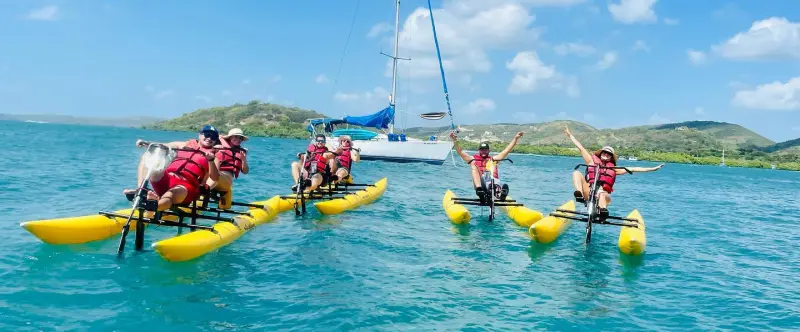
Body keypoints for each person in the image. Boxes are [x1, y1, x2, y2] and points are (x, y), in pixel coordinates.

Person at [563, 125, 664, 218]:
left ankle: (603, 211)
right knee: (576, 173)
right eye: (605, 152)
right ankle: (579, 194)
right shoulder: (590, 161)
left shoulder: (613, 169)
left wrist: (652, 169)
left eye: (609, 154)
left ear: (611, 157)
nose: (606, 154)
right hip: (588, 192)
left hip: (603, 196)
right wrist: (570, 135)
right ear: (601, 153)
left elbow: (633, 168)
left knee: (602, 194)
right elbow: (580, 147)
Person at [123, 125, 221, 212]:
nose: (209, 138)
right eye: (207, 134)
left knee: (171, 194)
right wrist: (148, 144)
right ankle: (141, 190)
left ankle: (154, 206)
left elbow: (215, 178)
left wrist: (210, 160)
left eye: (213, 137)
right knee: (148, 155)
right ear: (200, 135)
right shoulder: (183, 145)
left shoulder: (214, 157)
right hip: (166, 179)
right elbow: (164, 146)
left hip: (186, 187)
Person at [450, 131, 524, 202]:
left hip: (492, 184)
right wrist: (455, 140)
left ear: (489, 151)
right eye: (482, 150)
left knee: (492, 163)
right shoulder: (473, 159)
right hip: (480, 186)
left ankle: (500, 194)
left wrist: (516, 138)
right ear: (479, 151)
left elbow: (507, 150)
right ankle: (480, 190)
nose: (483, 151)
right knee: (473, 163)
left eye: (485, 150)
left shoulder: (493, 159)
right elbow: (460, 151)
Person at [211, 128, 250, 209]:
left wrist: (243, 159)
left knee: (214, 176)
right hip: (214, 175)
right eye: (235, 137)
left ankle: (205, 188)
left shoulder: (242, 152)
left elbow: (245, 171)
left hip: (226, 179)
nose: (238, 139)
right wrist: (214, 150)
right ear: (230, 138)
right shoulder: (219, 147)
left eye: (240, 138)